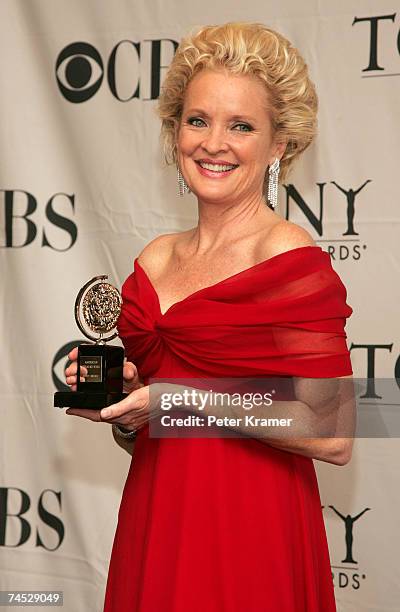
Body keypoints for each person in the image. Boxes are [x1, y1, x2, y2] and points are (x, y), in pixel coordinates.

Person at [65, 22, 355, 612]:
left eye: (241, 125)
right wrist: (131, 408)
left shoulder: (286, 257)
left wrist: (178, 399)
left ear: (279, 146)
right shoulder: (156, 259)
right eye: (197, 120)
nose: (213, 143)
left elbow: (332, 432)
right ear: (175, 135)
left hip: (252, 529)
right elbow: (168, 421)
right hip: (158, 514)